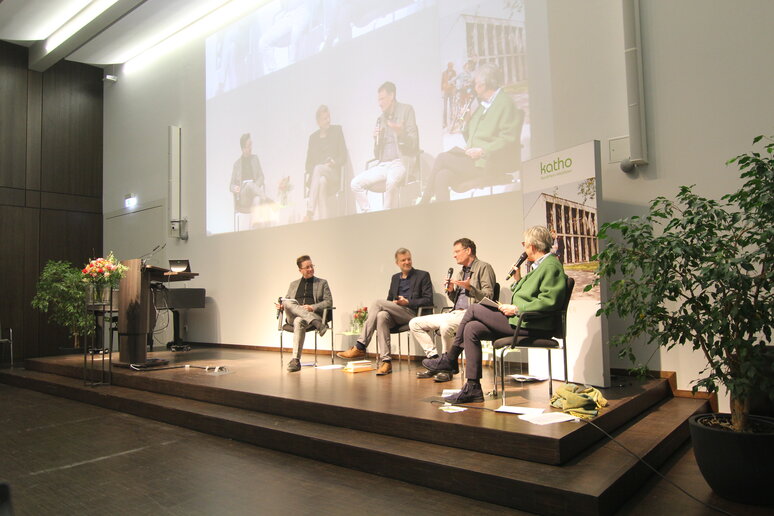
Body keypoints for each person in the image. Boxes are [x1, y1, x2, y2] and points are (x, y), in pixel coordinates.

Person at [422, 226, 567, 403]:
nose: (524, 248)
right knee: (472, 328)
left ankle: (450, 359)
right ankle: (473, 388)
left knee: (474, 309)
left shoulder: (551, 265)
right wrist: (518, 280)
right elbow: (529, 294)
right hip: (521, 321)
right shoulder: (538, 266)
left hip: (532, 324)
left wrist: (516, 309)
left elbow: (550, 300)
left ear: (533, 246)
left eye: (525, 244)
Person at [419, 63, 523, 203]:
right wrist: (466, 121)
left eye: (475, 84)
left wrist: (482, 151)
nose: (474, 88)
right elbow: (471, 137)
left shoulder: (505, 103)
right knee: (442, 176)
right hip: (475, 161)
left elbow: (509, 139)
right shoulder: (484, 105)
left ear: (483, 85)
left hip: (490, 162)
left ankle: (423, 203)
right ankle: (443, 220)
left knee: (442, 158)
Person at [410, 238, 496, 383]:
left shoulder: (484, 267)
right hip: (454, 313)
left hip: (472, 314)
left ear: (468, 251)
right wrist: (451, 292)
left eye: (457, 251)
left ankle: (446, 367)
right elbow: (457, 301)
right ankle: (436, 360)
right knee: (414, 323)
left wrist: (471, 288)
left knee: (446, 326)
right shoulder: (460, 273)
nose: (454, 255)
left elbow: (489, 296)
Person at [337, 248, 432, 376]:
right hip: (397, 314)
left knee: (377, 303)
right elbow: (388, 301)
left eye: (409, 259)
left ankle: (360, 346)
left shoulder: (422, 275)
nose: (407, 262)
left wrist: (407, 302)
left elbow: (428, 300)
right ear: (397, 263)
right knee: (381, 315)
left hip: (413, 314)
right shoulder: (395, 278)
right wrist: (394, 304)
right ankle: (386, 362)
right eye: (403, 260)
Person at [350, 82, 419, 212]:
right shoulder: (380, 119)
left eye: (382, 99)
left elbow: (414, 144)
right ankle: (369, 214)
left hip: (401, 162)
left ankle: (386, 217)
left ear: (392, 96)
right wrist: (376, 140)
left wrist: (401, 133)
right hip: (384, 165)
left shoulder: (407, 110)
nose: (379, 103)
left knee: (391, 181)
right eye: (378, 99)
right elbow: (377, 155)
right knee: (355, 184)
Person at [276, 255, 333, 372]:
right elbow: (288, 301)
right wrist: (282, 306)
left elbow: (329, 301)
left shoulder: (322, 283)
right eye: (307, 267)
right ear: (300, 270)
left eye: (311, 266)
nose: (310, 269)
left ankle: (295, 360)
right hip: (294, 317)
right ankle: (317, 324)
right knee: (285, 302)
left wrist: (312, 307)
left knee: (299, 320)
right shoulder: (293, 284)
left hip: (312, 315)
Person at [304, 105, 348, 221]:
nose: (328, 120)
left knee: (319, 169)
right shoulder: (312, 138)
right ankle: (324, 222)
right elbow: (308, 165)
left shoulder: (337, 130)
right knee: (321, 181)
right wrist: (316, 170)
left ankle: (310, 211)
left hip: (333, 174)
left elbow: (343, 156)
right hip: (320, 178)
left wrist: (333, 162)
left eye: (329, 117)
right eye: (325, 118)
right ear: (318, 122)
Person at [230, 133, 268, 216]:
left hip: (254, 194)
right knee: (248, 185)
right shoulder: (237, 165)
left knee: (257, 200)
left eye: (251, 144)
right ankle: (267, 200)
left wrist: (254, 186)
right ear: (243, 148)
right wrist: (238, 189)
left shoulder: (255, 159)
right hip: (243, 197)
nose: (251, 148)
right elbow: (231, 186)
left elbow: (262, 177)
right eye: (249, 145)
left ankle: (258, 227)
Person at [441, 61, 456, 128]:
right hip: (446, 91)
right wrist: (442, 91)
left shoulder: (454, 73)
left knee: (452, 107)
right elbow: (442, 82)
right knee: (445, 107)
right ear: (447, 66)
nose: (450, 67)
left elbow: (456, 81)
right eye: (449, 66)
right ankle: (444, 123)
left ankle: (451, 122)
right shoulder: (444, 73)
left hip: (451, 92)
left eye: (451, 66)